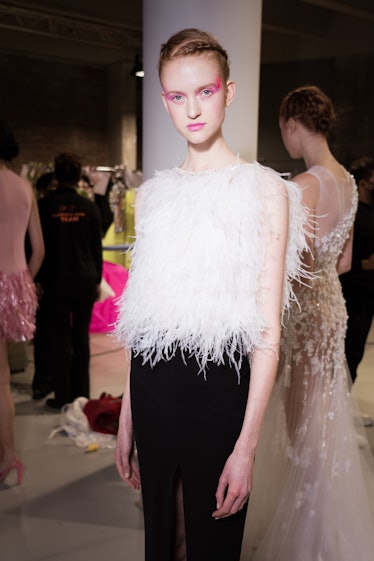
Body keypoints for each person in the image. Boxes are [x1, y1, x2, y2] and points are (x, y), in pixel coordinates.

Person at [114, 29, 310, 561]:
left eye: (205, 91)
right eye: (178, 96)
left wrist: (246, 449)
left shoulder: (265, 189)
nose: (192, 109)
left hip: (220, 390)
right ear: (163, 101)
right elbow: (144, 318)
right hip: (153, 387)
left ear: (229, 90)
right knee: (164, 541)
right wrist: (127, 416)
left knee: (212, 545)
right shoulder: (152, 196)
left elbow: (267, 333)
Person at [241, 86, 374, 561]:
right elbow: (342, 263)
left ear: (293, 123)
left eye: (284, 130)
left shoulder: (302, 186)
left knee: (299, 427)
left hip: (302, 313)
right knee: (323, 416)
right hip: (333, 307)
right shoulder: (348, 183)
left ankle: (311, 539)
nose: (286, 140)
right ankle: (322, 525)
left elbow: (285, 267)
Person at [36, 152, 103, 409]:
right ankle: (82, 396)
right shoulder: (90, 208)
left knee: (61, 339)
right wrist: (97, 279)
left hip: (57, 281)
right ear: (78, 177)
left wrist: (39, 280)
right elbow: (95, 248)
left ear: (56, 175)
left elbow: (38, 248)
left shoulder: (44, 207)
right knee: (81, 338)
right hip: (85, 280)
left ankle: (63, 397)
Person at [0, 119, 44, 484]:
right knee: (2, 382)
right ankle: (9, 455)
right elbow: (39, 251)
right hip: (13, 286)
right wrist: (21, 283)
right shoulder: (23, 186)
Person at [340, 157, 374, 387]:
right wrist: (365, 264)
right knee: (349, 349)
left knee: (358, 349)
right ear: (363, 183)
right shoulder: (352, 212)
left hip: (369, 292)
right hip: (353, 292)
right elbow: (342, 259)